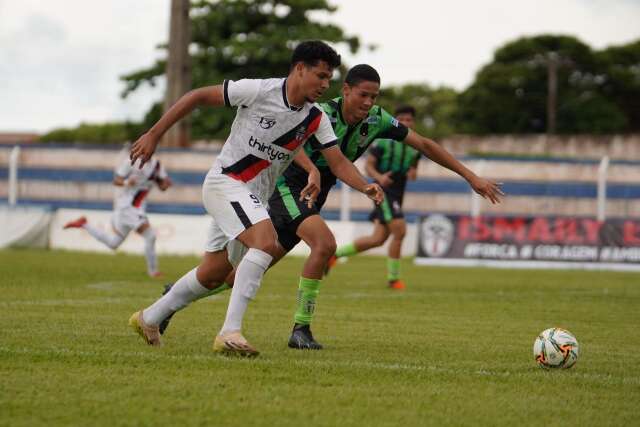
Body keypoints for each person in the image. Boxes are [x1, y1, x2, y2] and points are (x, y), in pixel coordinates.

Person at [160, 64, 504, 351]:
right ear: (347, 90)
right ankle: (300, 330)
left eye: (375, 97)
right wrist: (311, 168)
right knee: (324, 245)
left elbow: (426, 144)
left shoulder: (378, 121)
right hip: (286, 188)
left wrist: (470, 176)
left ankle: (170, 301)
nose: (369, 103)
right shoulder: (319, 113)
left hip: (312, 196)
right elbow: (289, 145)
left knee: (236, 275)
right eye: (363, 95)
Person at [127, 41, 383, 357]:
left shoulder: (316, 117)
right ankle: (229, 332)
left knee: (213, 274)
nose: (324, 84)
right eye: (320, 75)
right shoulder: (258, 91)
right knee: (266, 242)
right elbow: (195, 97)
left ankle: (149, 317)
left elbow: (339, 162)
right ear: (299, 69)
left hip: (253, 198)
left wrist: (365, 186)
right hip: (225, 183)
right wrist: (154, 135)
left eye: (328, 79)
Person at [330, 105, 421, 290]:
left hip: (398, 192)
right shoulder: (383, 143)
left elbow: (413, 170)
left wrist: (412, 172)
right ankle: (393, 279)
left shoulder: (414, 146)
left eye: (409, 120)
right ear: (396, 121)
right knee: (400, 231)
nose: (406, 123)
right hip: (383, 191)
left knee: (377, 239)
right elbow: (369, 166)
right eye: (402, 119)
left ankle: (334, 255)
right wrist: (379, 177)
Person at [63, 152, 171, 277]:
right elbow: (116, 181)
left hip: (137, 207)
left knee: (113, 243)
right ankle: (154, 272)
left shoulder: (157, 165)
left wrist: (165, 184)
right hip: (128, 206)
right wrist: (127, 183)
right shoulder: (131, 162)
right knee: (150, 235)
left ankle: (85, 224)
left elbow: (163, 185)